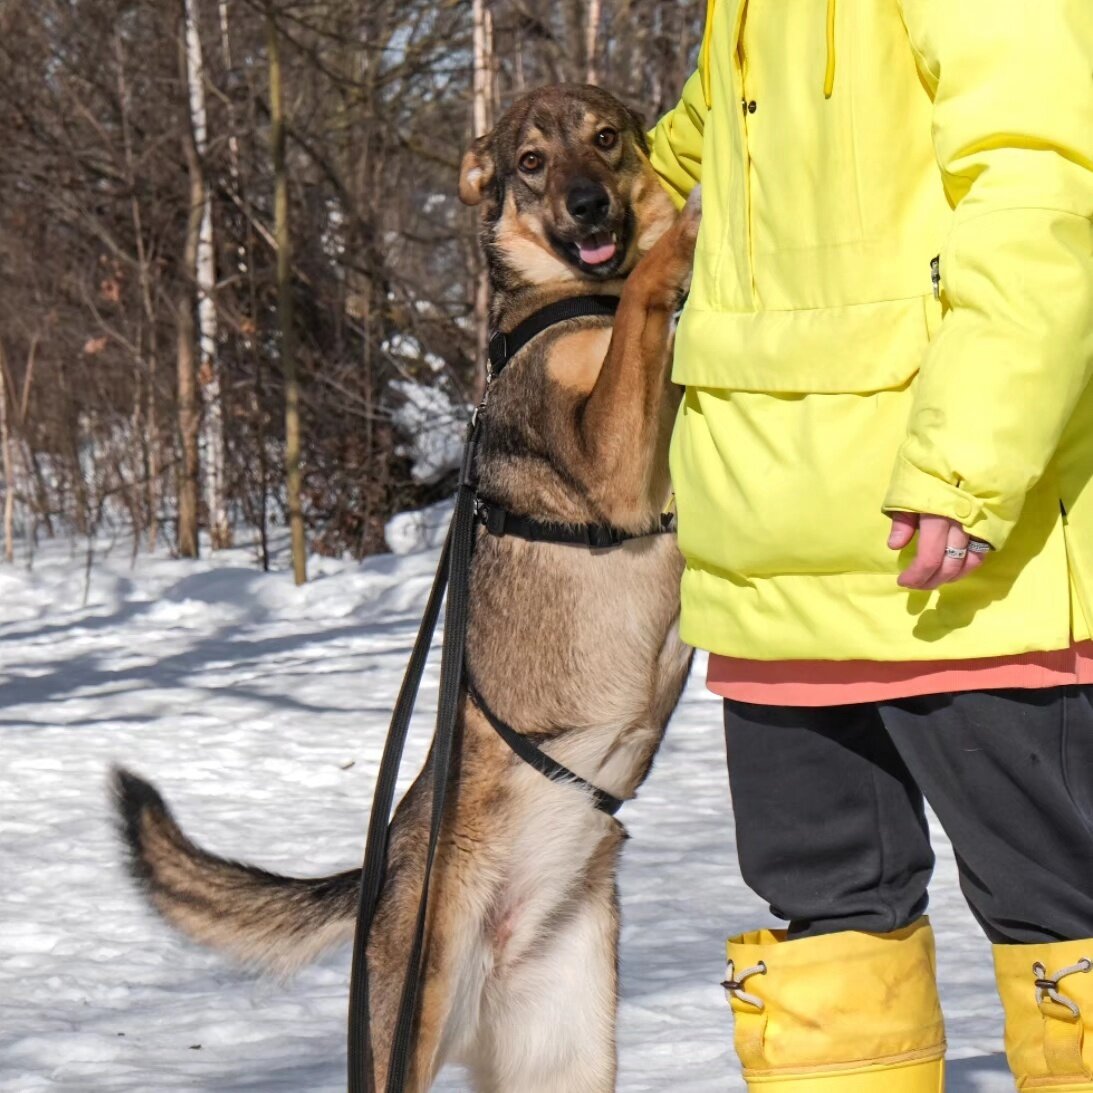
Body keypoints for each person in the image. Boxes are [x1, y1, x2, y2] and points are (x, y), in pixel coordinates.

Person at [647, 1, 1093, 1089]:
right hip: (768, 541)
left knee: (1063, 926)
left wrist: (966, 462)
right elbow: (683, 163)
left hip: (960, 550)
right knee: (829, 939)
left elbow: (1046, 186)